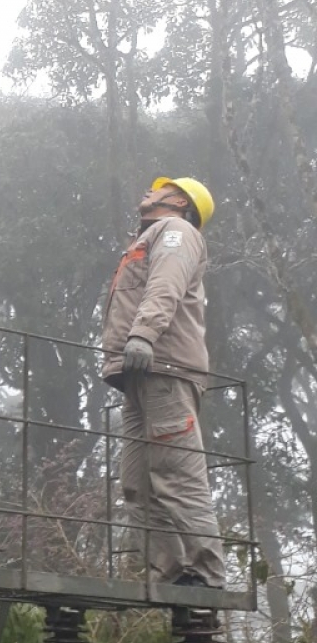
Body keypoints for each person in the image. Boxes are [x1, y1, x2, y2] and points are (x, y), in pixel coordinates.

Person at [100, 176, 224, 588]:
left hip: (164, 367)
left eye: (159, 190)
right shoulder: (148, 239)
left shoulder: (177, 232)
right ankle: (173, 573)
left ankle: (207, 574)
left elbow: (164, 285)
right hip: (139, 373)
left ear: (181, 203)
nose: (147, 194)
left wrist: (144, 333)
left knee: (176, 475)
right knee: (136, 485)